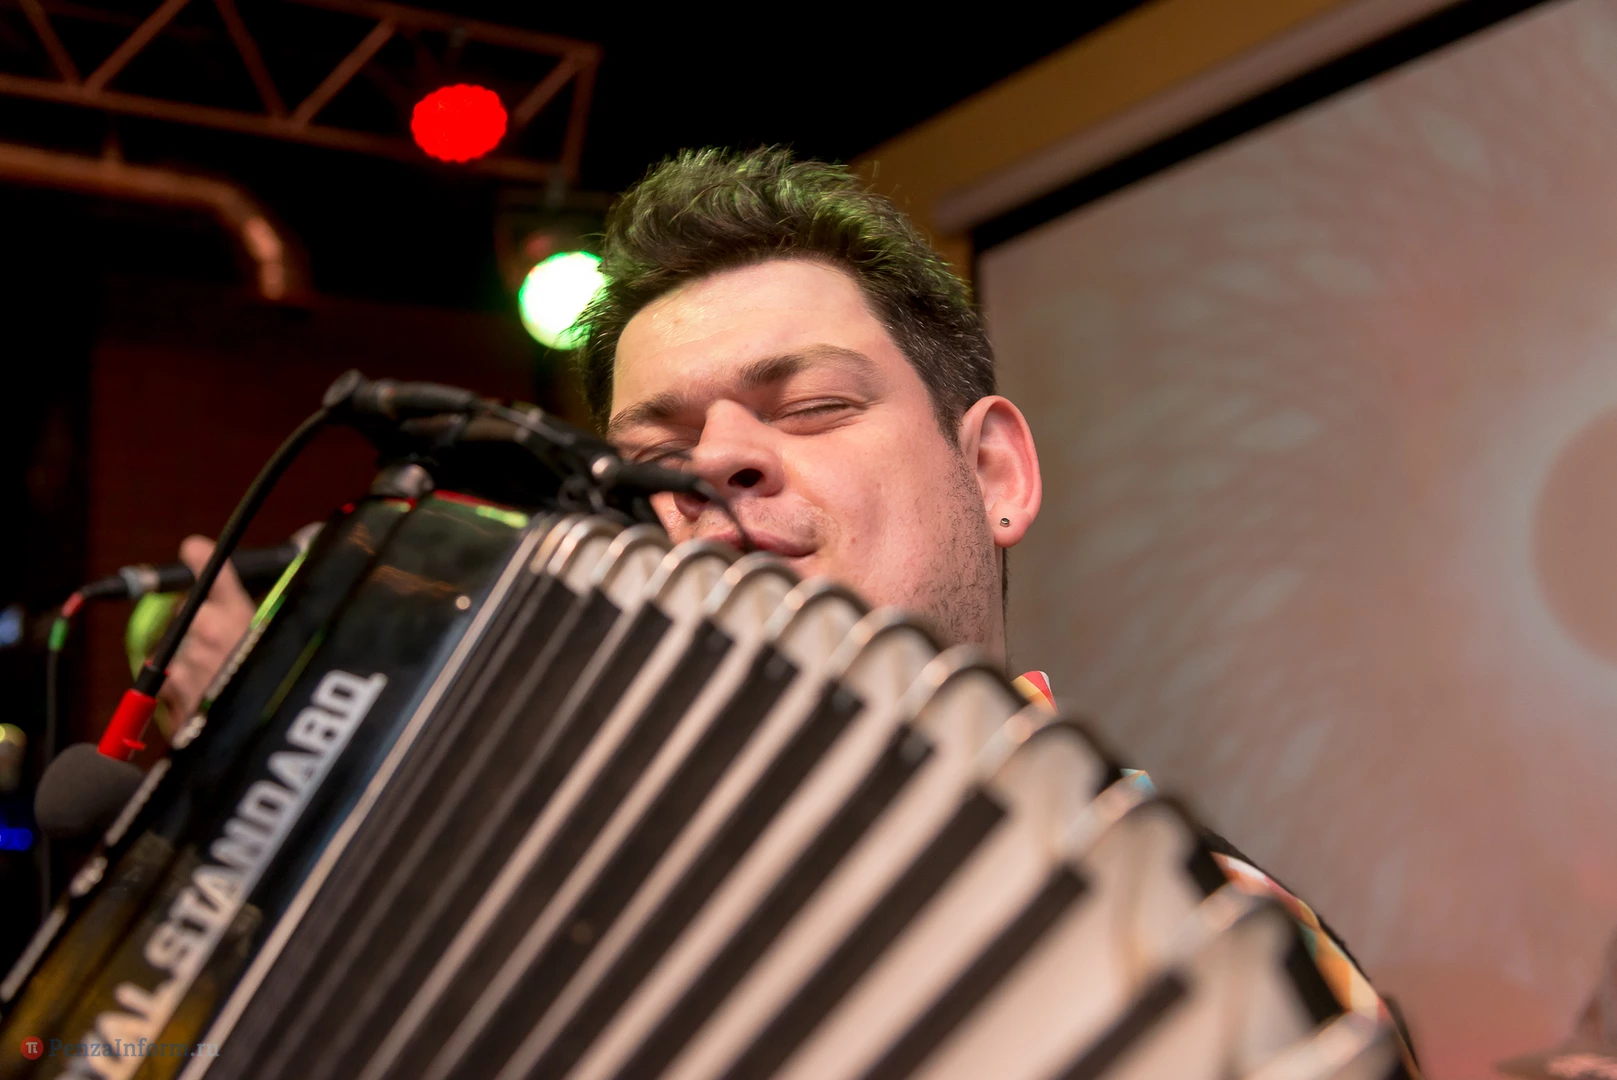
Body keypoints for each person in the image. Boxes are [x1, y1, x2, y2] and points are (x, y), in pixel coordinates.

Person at [156, 147, 1411, 1055]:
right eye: (655, 454)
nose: (717, 463)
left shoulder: (1204, 945)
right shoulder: (544, 906)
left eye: (810, 405)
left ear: (994, 473)